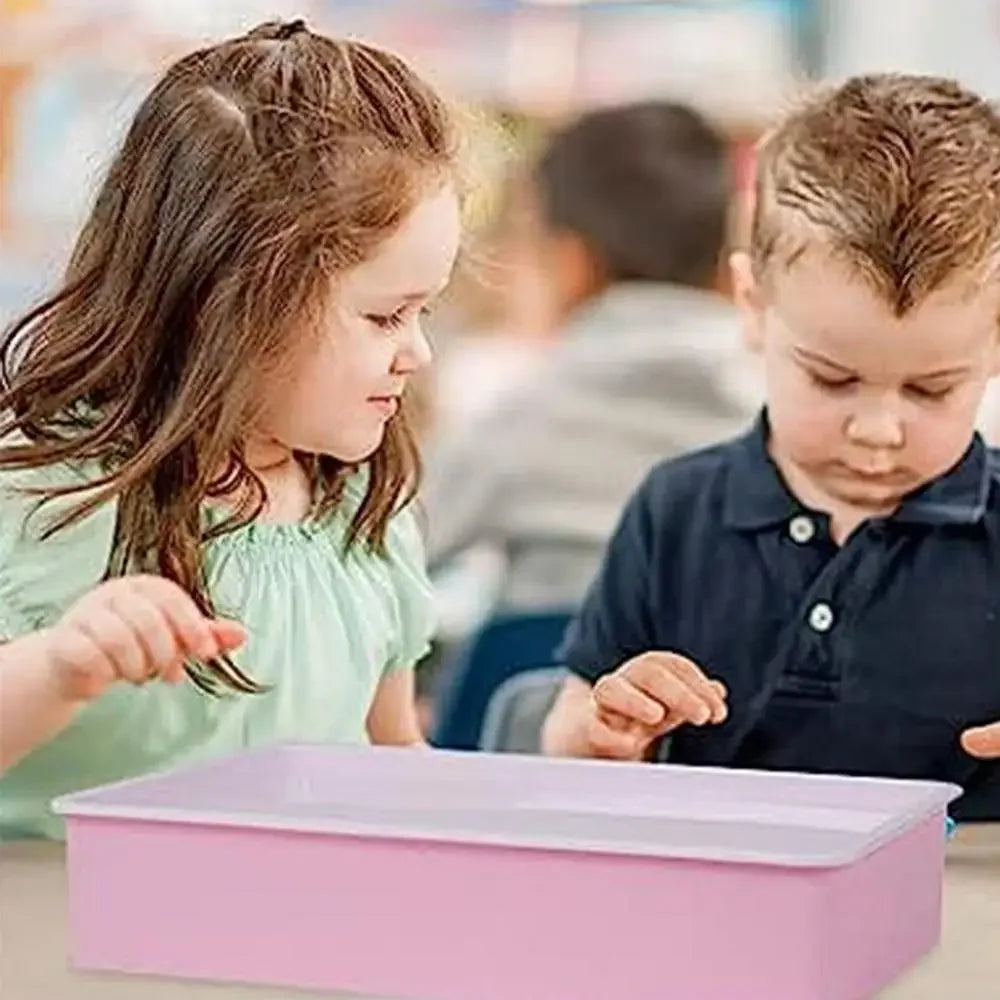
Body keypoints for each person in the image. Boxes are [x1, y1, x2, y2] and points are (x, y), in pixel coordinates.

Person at [0, 19, 461, 839]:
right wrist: (57, 668)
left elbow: (393, 755)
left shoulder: (363, 505)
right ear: (228, 306)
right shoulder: (43, 493)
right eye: (386, 316)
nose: (417, 352)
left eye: (424, 311)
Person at [542, 74, 1000, 820]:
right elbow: (568, 730)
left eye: (930, 390)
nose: (877, 429)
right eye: (832, 378)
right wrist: (607, 732)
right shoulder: (676, 511)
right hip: (717, 886)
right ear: (753, 306)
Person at [422, 101, 758, 616]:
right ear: (724, 258)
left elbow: (391, 552)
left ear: (571, 262)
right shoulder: (779, 410)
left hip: (545, 664)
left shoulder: (527, 418)